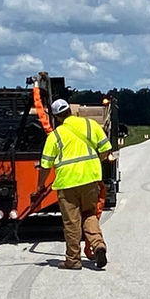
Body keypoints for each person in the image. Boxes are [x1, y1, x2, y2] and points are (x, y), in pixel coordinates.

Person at [35, 99, 114, 270]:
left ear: (56, 117)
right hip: (91, 179)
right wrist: (93, 162)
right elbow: (106, 148)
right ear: (70, 111)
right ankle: (98, 244)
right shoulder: (90, 125)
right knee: (89, 214)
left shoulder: (55, 136)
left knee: (72, 222)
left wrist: (40, 186)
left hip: (68, 183)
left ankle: (73, 260)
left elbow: (45, 165)